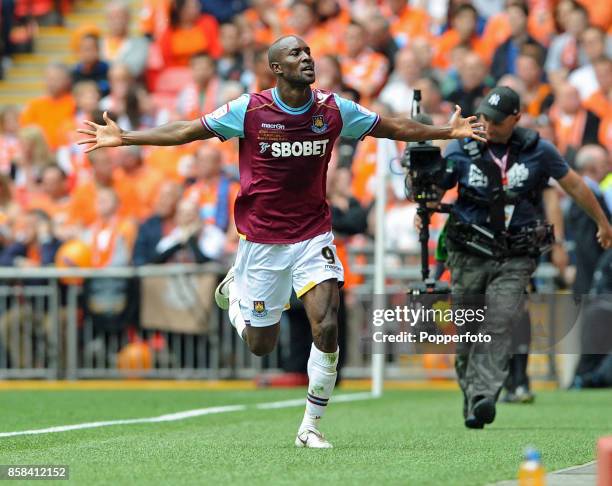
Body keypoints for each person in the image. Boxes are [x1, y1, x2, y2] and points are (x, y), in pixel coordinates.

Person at [77, 35, 485, 448]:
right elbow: (187, 130)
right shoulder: (249, 109)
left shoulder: (332, 108)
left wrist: (445, 130)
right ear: (276, 68)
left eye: (308, 51)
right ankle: (237, 295)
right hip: (262, 242)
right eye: (295, 53)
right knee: (261, 344)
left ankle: (310, 426)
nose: (306, 58)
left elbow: (391, 126)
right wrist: (126, 137)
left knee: (326, 324)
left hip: (312, 234)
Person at [437, 86, 612, 429]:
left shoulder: (538, 151)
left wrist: (602, 222)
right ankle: (473, 395)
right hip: (468, 250)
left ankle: (485, 394)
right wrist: (424, 208)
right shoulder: (460, 146)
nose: (488, 123)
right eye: (484, 116)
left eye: (497, 120)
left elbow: (575, 185)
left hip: (515, 252)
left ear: (516, 118)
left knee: (501, 318)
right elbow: (436, 183)